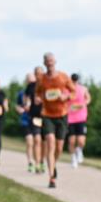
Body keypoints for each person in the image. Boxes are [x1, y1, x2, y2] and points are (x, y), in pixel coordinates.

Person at [35, 53, 75, 188]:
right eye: (47, 61)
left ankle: (53, 164)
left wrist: (66, 97)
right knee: (50, 143)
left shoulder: (63, 76)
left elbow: (73, 92)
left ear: (55, 61)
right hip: (47, 115)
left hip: (62, 115)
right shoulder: (41, 78)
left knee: (59, 147)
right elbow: (38, 92)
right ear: (44, 63)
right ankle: (51, 177)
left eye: (51, 60)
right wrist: (38, 98)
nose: (49, 62)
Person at [65, 73, 91, 169]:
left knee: (81, 141)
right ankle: (73, 158)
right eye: (73, 80)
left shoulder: (83, 89)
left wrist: (84, 104)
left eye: (75, 80)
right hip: (70, 118)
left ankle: (79, 150)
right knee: (71, 141)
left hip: (81, 117)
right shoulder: (66, 89)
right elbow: (63, 99)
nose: (74, 82)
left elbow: (88, 98)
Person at [16, 72, 39, 173]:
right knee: (29, 142)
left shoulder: (38, 92)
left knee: (37, 141)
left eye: (32, 80)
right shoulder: (22, 93)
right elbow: (18, 105)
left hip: (37, 119)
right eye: (28, 80)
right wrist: (20, 109)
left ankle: (38, 162)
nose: (30, 82)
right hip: (25, 120)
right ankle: (30, 162)